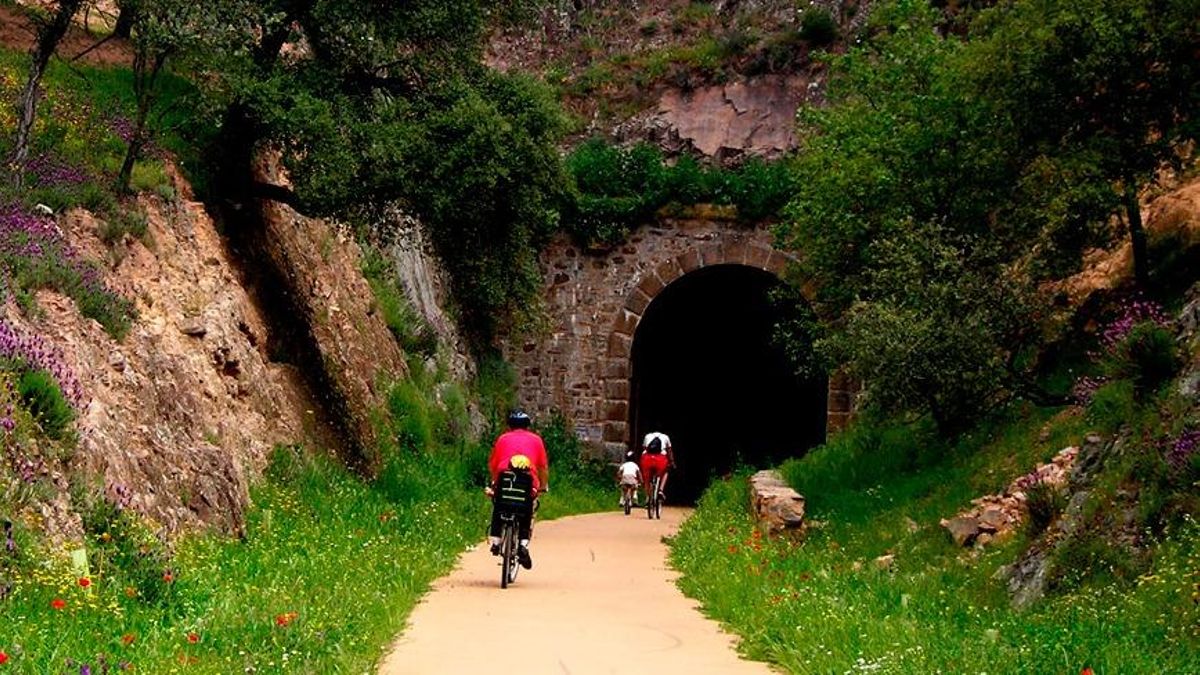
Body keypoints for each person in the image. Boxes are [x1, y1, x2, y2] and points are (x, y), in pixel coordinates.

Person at [486, 409, 549, 569]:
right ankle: (522, 544)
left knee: (499, 505)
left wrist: (494, 482)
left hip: (504, 480)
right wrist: (543, 486)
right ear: (527, 425)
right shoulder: (536, 440)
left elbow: (493, 464)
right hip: (528, 482)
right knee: (527, 509)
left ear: (510, 425)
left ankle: (496, 541)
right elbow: (542, 467)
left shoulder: (502, 439)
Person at [639, 430, 674, 502]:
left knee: (646, 477)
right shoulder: (665, 437)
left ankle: (647, 496)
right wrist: (672, 462)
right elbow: (669, 451)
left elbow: (644, 448)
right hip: (660, 459)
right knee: (666, 471)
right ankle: (660, 490)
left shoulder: (647, 436)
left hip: (647, 459)